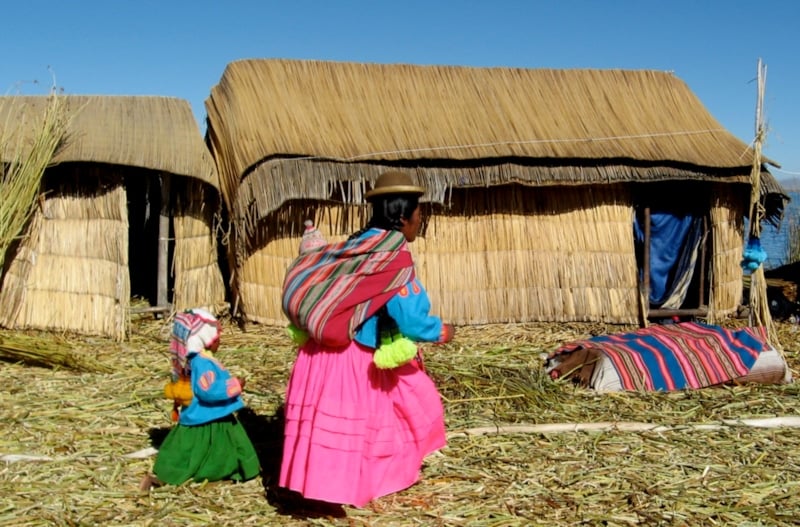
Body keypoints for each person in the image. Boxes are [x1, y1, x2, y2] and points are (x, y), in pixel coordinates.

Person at [278, 170, 455, 508]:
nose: (420, 221)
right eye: (418, 213)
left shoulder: (358, 244)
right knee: (405, 406)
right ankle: (362, 484)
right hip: (354, 359)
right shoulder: (393, 257)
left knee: (345, 427)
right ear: (403, 216)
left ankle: (328, 485)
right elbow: (411, 318)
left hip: (320, 355)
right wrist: (441, 331)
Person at [139, 308, 260, 490]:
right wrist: (235, 385)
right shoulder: (203, 363)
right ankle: (213, 473)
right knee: (218, 446)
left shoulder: (198, 360)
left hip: (205, 415)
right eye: (217, 338)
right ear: (207, 341)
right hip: (209, 416)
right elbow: (208, 390)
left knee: (191, 448)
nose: (220, 342)